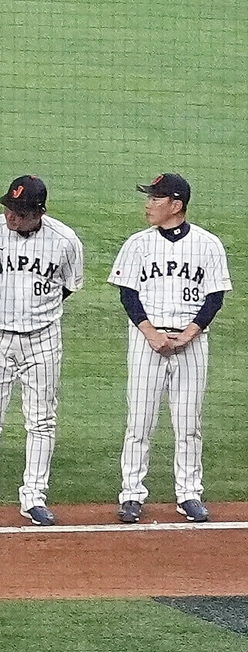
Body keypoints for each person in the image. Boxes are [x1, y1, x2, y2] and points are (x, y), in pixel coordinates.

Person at [0, 173, 85, 526]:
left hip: (43, 339)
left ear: (38, 212)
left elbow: (70, 285)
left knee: (42, 419)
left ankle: (34, 496)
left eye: (20, 211)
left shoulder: (64, 240)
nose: (11, 216)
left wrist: (39, 310)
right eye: (9, 208)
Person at [114, 168, 227, 523]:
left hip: (191, 343)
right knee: (140, 421)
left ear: (176, 205)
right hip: (147, 341)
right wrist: (150, 332)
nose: (148, 205)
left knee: (188, 422)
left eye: (155, 198)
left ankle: (188, 494)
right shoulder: (137, 243)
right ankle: (132, 494)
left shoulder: (208, 244)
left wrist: (191, 333)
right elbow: (127, 294)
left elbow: (215, 296)